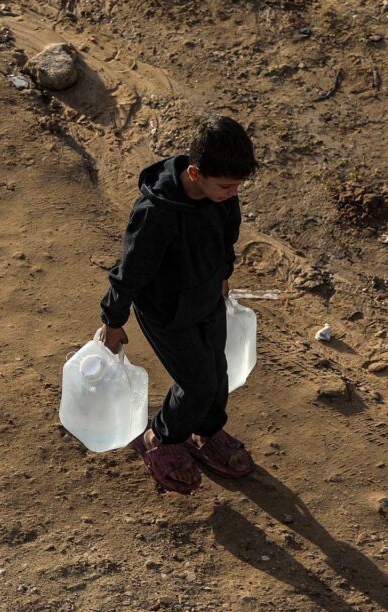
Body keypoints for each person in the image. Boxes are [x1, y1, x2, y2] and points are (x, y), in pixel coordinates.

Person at [97, 115, 257, 494]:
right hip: (167, 312)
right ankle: (161, 438)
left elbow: (227, 235)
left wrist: (223, 272)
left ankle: (206, 431)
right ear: (195, 172)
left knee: (217, 372)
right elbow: (130, 270)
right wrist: (113, 320)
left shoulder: (221, 197)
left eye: (237, 186)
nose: (233, 193)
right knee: (197, 384)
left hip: (207, 298)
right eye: (226, 186)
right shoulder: (156, 214)